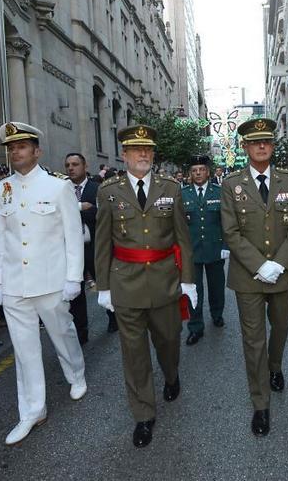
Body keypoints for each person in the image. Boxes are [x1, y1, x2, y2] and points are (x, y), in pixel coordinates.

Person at [95, 124, 195, 448]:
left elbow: (183, 238)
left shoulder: (171, 187)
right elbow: (102, 243)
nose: (143, 155)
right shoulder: (108, 190)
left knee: (168, 341)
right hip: (126, 283)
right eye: (136, 150)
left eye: (148, 150)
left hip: (165, 281)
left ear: (153, 154)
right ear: (124, 155)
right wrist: (104, 287)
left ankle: (171, 374)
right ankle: (143, 415)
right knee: (134, 354)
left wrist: (189, 281)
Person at [0, 122, 87, 445]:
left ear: (37, 151)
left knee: (62, 333)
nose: (15, 152)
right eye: (11, 147)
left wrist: (74, 277)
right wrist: (0, 282)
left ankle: (76, 373)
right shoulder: (0, 189)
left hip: (50, 280)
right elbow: (2, 238)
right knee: (24, 350)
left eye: (21, 146)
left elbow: (73, 236)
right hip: (16, 283)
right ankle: (33, 410)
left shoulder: (58, 187)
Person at [220, 118, 288, 436]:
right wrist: (259, 265)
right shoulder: (231, 184)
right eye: (255, 142)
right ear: (245, 147)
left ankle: (276, 366)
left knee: (280, 327)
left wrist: (279, 263)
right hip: (248, 276)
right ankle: (260, 404)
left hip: (282, 273)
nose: (261, 146)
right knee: (254, 339)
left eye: (267, 141)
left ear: (272, 145)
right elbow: (230, 232)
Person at [181, 155, 228, 345]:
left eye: (201, 170)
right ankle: (195, 326)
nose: (198, 173)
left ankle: (217, 314)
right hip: (192, 251)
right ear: (190, 174)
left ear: (208, 172)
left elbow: (227, 221)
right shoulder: (183, 194)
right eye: (194, 170)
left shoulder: (219, 192)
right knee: (194, 290)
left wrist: (226, 246)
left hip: (215, 249)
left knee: (217, 287)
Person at [65, 152, 111, 340]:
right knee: (76, 292)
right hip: (72, 249)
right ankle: (81, 331)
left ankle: (114, 317)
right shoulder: (62, 189)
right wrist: (78, 207)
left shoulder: (98, 188)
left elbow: (103, 215)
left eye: (75, 164)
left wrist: (87, 210)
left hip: (95, 246)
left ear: (85, 166)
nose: (71, 168)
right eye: (68, 165)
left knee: (104, 283)